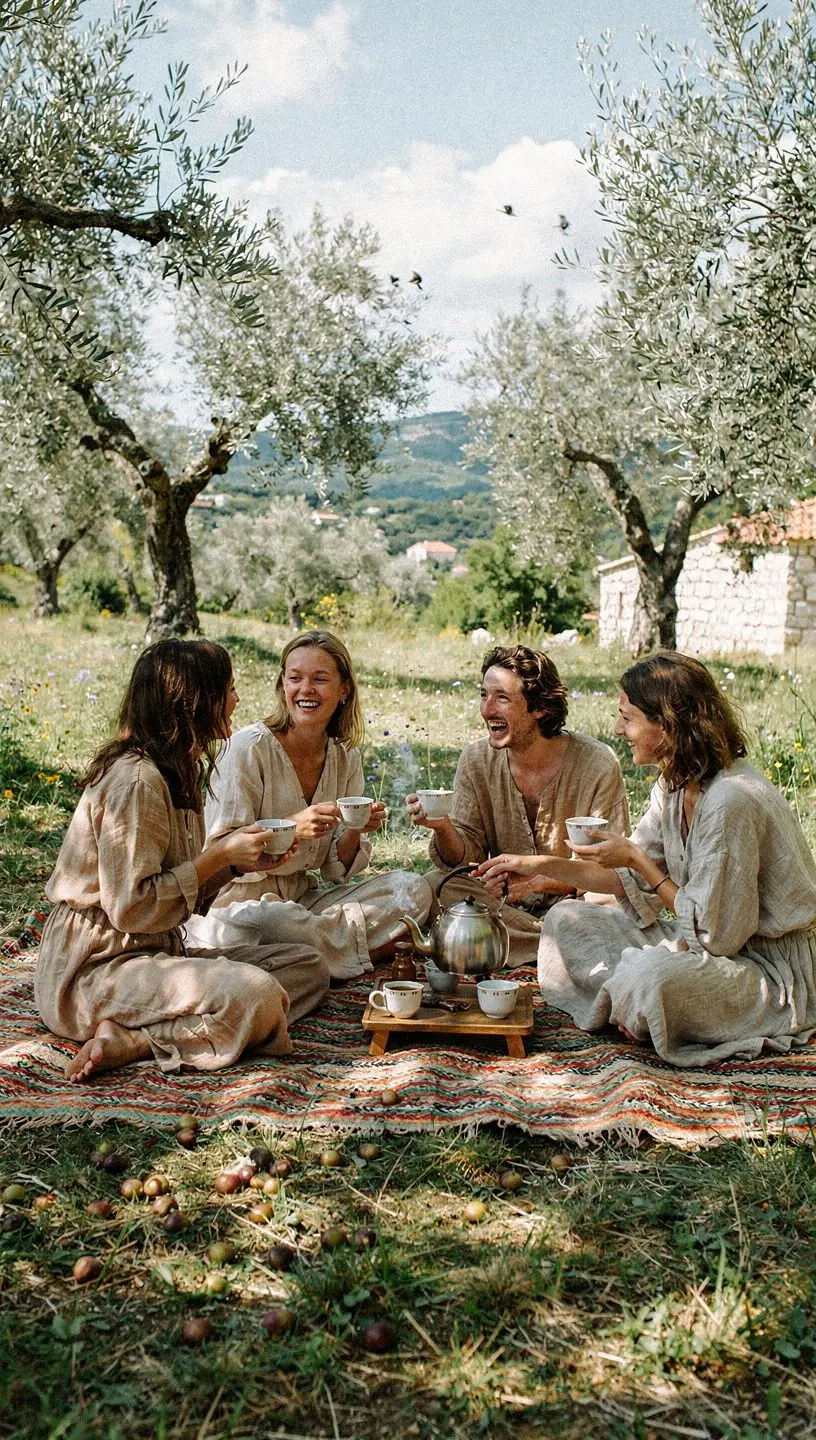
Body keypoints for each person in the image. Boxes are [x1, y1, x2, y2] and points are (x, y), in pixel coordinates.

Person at [476, 651, 816, 1067]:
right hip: (704, 945)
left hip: (767, 967)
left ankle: (637, 996)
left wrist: (640, 861)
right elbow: (624, 879)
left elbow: (718, 935)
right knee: (567, 921)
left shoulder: (731, 800)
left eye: (627, 717)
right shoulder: (673, 784)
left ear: (668, 724)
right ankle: (633, 1001)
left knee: (652, 978)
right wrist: (539, 868)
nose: (619, 730)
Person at [36, 640, 330, 1082]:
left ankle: (141, 1031)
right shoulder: (138, 780)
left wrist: (237, 865)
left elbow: (175, 886)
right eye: (227, 689)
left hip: (154, 953)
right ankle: (142, 1041)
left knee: (307, 968)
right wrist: (216, 857)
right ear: (194, 702)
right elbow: (132, 909)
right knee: (259, 995)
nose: (236, 700)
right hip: (94, 970)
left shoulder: (178, 768)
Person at [184, 630, 432, 979]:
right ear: (282, 684)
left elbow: (335, 871)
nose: (305, 690)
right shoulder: (247, 749)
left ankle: (311, 956)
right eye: (295, 678)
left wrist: (352, 831)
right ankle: (366, 951)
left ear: (344, 689)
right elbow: (220, 852)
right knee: (275, 922)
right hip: (238, 908)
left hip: (304, 902)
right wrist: (291, 826)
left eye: (320, 679)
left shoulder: (345, 757)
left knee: (413, 889)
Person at [406, 644, 629, 966]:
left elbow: (609, 870)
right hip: (504, 906)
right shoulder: (476, 760)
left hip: (574, 900)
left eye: (502, 698)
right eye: (484, 695)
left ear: (538, 708)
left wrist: (539, 880)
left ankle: (514, 942)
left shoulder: (596, 763)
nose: (486, 710)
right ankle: (559, 946)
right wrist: (444, 828)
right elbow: (464, 860)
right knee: (435, 885)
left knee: (612, 900)